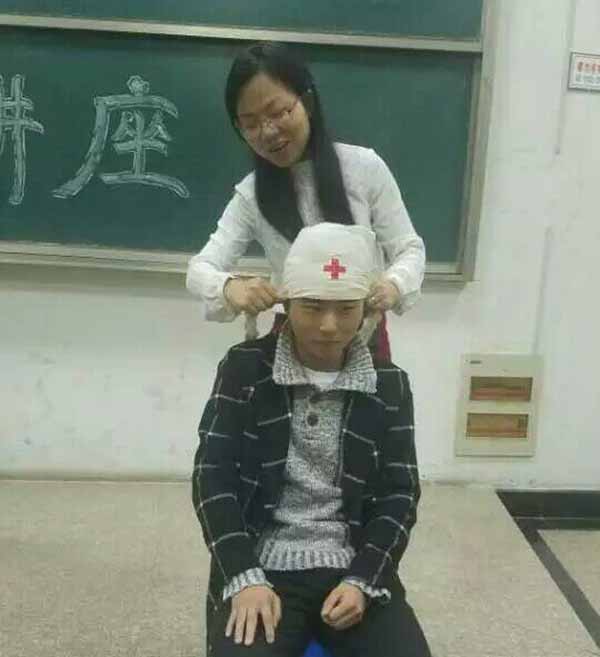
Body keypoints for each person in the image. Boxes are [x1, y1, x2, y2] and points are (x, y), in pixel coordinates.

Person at [192, 223, 431, 657]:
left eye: (346, 309)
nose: (328, 325)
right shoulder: (245, 369)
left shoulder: (389, 385)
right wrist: (243, 576)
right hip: (262, 563)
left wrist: (364, 580)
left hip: (352, 562)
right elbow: (213, 479)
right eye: (312, 307)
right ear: (286, 305)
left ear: (366, 309)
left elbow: (399, 494)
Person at [186, 42, 426, 362]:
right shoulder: (250, 195)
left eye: (278, 113)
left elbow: (409, 248)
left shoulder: (364, 168)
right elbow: (199, 270)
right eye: (251, 124)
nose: (268, 131)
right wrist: (230, 288)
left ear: (307, 102)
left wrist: (394, 285)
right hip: (292, 340)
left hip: (362, 337)